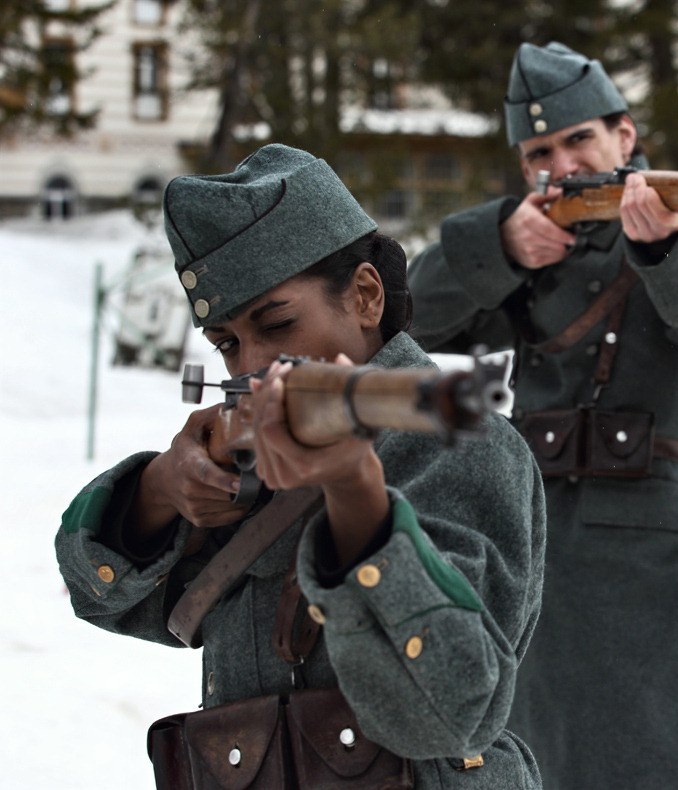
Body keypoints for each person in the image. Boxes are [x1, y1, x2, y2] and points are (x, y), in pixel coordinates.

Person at [55, 143, 546, 789]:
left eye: (278, 323)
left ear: (365, 296)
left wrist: (354, 496)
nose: (253, 364)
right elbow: (108, 601)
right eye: (228, 344)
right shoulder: (249, 451)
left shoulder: (465, 442)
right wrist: (160, 489)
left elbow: (449, 716)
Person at [407, 41, 678, 790]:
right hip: (526, 527)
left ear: (624, 134)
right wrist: (501, 247)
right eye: (540, 151)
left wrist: (670, 253)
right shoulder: (530, 243)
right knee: (525, 748)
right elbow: (408, 320)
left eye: (579, 138)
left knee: (647, 750)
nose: (564, 163)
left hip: (639, 529)